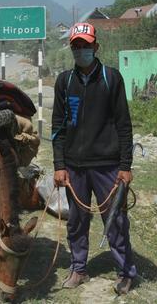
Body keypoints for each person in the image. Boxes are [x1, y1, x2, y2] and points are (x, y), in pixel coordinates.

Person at [51, 22, 137, 295]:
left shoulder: (112, 78)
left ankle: (126, 272)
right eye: (76, 46)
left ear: (95, 47)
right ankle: (79, 268)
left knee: (116, 221)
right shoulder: (64, 81)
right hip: (75, 167)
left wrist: (125, 166)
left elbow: (124, 125)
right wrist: (59, 165)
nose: (81, 50)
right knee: (76, 221)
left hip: (108, 165)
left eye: (85, 46)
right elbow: (58, 127)